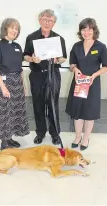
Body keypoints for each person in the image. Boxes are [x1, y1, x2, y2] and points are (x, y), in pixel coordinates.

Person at [24, 9, 67, 145]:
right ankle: (40, 133)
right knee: (38, 105)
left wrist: (57, 60)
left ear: (54, 23)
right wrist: (32, 58)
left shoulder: (59, 38)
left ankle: (55, 134)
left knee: (53, 104)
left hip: (52, 74)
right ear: (40, 20)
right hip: (37, 75)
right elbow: (25, 55)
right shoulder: (31, 37)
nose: (47, 22)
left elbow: (64, 58)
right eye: (45, 19)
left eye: (50, 20)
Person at [65, 18, 107, 150]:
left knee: (89, 111)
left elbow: (105, 66)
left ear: (94, 30)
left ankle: (86, 137)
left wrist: (94, 75)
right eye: (84, 29)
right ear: (80, 31)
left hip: (92, 84)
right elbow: (72, 64)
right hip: (78, 83)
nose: (86, 32)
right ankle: (78, 136)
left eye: (89, 29)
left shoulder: (100, 47)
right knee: (77, 110)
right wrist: (75, 69)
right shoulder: (76, 46)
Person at [0, 18, 30, 150]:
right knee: (5, 113)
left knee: (14, 112)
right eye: (12, 27)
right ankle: (4, 143)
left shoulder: (17, 47)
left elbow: (19, 68)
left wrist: (23, 85)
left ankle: (10, 138)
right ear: (5, 29)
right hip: (4, 83)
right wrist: (3, 88)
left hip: (17, 82)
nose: (14, 30)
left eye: (16, 29)